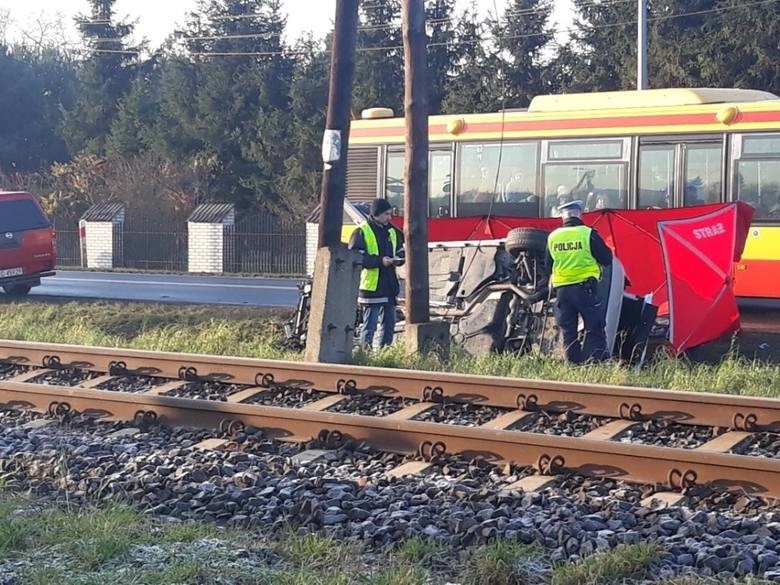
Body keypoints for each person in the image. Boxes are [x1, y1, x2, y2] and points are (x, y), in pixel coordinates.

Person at [546, 200, 614, 364]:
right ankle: (594, 362)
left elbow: (548, 265)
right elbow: (606, 258)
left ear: (563, 216)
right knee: (594, 327)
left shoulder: (553, 237)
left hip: (562, 291)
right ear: (579, 214)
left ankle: (573, 365)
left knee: (568, 331)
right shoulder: (587, 234)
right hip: (585, 289)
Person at [348, 198, 405, 350]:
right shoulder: (362, 231)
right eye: (386, 214)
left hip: (389, 286)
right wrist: (381, 261)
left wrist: (399, 259)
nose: (389, 218)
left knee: (389, 326)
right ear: (376, 214)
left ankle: (384, 355)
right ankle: (364, 354)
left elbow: (400, 249)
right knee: (369, 326)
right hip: (371, 288)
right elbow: (356, 257)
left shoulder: (392, 231)